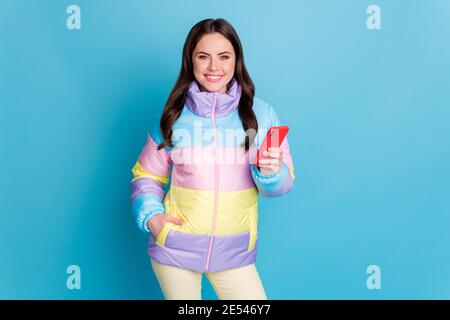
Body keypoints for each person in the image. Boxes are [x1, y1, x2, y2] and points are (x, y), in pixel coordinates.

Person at [130, 18, 296, 300]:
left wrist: (272, 172)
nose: (213, 67)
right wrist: (152, 218)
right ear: (190, 61)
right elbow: (146, 175)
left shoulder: (262, 115)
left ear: (236, 61)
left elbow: (281, 185)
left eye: (223, 57)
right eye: (203, 57)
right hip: (175, 248)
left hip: (234, 251)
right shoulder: (173, 116)